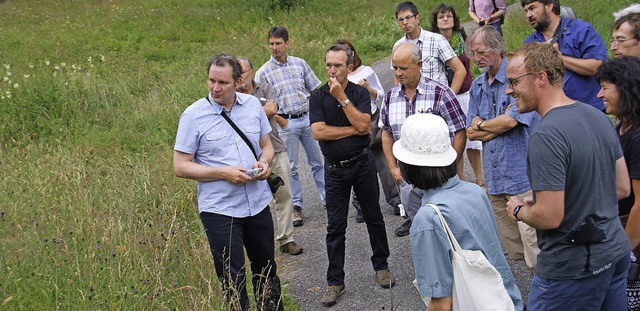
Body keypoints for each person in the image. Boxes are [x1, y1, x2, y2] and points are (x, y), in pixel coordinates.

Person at [505, 42, 631, 310]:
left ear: (540, 78)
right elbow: (621, 187)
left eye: (514, 81)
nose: (508, 90)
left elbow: (550, 217)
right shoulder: (597, 117)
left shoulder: (545, 135)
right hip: (615, 253)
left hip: (573, 269)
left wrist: (518, 210)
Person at [173, 54, 283, 311]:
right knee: (232, 278)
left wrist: (264, 163)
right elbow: (180, 166)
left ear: (239, 81)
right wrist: (224, 173)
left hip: (256, 203)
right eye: (211, 80)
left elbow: (266, 147)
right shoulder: (193, 115)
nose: (215, 87)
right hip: (219, 209)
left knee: (266, 269)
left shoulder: (253, 106)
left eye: (222, 82)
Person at [395, 113, 522, 311]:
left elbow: (441, 304)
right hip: (504, 299)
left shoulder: (428, 218)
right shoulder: (474, 191)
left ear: (409, 166)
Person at [309, 43, 395, 307]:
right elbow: (318, 132)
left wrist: (343, 100)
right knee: (335, 227)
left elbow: (364, 125)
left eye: (338, 65)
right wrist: (352, 130)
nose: (332, 70)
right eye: (328, 65)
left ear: (349, 66)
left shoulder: (358, 93)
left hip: (361, 164)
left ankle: (381, 266)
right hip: (334, 169)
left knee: (374, 217)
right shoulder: (317, 95)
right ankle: (335, 282)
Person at [465, 26, 541, 270]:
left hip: (522, 179)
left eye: (481, 52)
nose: (477, 59)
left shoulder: (515, 78)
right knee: (516, 249)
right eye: (473, 54)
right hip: (495, 181)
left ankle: (547, 301)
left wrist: (484, 125)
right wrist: (496, 124)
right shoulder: (477, 85)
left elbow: (513, 120)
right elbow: (470, 131)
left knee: (536, 250)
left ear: (497, 48)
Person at [380, 42, 467, 237]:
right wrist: (393, 168)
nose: (398, 73)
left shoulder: (440, 93)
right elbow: (386, 132)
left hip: (438, 178)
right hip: (407, 180)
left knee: (448, 230)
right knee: (422, 230)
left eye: (403, 68)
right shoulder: (390, 97)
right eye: (395, 67)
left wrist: (449, 168)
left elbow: (460, 130)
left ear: (419, 65)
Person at [255, 26, 325, 227]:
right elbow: (262, 105)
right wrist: (279, 118)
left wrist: (317, 115)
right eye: (271, 43)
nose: (274, 47)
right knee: (292, 167)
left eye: (278, 43)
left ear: (287, 43)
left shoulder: (299, 64)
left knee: (317, 162)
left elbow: (315, 90)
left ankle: (328, 199)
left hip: (307, 118)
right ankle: (296, 207)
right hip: (285, 123)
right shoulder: (263, 73)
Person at [237, 57, 303, 256]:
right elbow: (265, 110)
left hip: (275, 147)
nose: (241, 77)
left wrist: (247, 111)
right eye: (237, 73)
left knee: (284, 194)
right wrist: (260, 110)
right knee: (257, 201)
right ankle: (261, 245)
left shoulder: (265, 88)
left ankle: (286, 239)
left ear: (252, 71)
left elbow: (273, 109)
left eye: (244, 72)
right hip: (248, 155)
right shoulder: (232, 97)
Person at [335, 39, 402, 223]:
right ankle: (362, 206)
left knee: (383, 163)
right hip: (353, 125)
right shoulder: (338, 77)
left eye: (349, 50)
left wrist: (367, 88)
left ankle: (396, 201)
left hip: (372, 120)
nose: (347, 53)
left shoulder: (367, 71)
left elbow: (381, 95)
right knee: (359, 166)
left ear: (353, 53)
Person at [596, 56, 640, 310]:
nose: (599, 95)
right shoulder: (621, 126)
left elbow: (639, 205)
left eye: (605, 87)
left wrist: (624, 250)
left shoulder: (637, 137)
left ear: (625, 87)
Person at [429, 3, 484, 187]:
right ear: (436, 22)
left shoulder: (463, 39)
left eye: (449, 16)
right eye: (441, 16)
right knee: (455, 138)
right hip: (446, 97)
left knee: (473, 140)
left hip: (465, 93)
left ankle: (480, 179)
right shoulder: (433, 42)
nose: (445, 19)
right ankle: (461, 180)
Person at [521, 0, 607, 111]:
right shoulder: (530, 44)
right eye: (526, 11)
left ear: (549, 6)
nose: (528, 15)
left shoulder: (580, 30)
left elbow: (596, 67)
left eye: (532, 8)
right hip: (553, 113)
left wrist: (558, 57)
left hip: (590, 109)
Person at [393, 1, 467, 94]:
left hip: (435, 99)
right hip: (411, 102)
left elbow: (460, 70)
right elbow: (397, 76)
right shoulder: (398, 46)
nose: (405, 22)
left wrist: (449, 98)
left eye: (408, 18)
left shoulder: (436, 40)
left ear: (417, 18)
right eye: (401, 19)